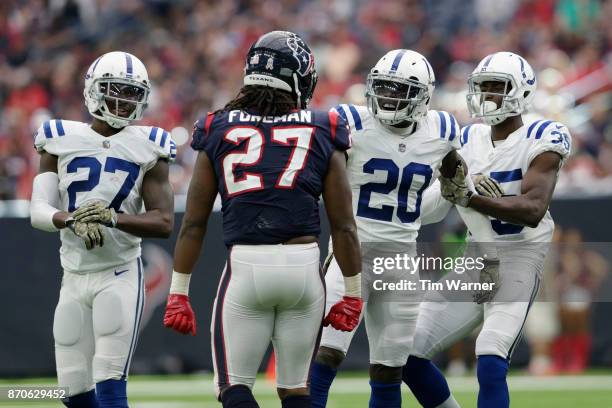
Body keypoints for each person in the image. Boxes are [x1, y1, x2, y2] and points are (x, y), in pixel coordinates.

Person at [162, 31, 363, 408]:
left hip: (247, 267)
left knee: (234, 388)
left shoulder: (216, 127)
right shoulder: (324, 127)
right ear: (296, 78)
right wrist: (352, 292)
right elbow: (344, 225)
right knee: (296, 391)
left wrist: (178, 291)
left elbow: (193, 223)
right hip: (305, 270)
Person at [309, 49, 503, 408]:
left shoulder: (442, 131)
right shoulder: (349, 122)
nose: (389, 96)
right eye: (383, 87)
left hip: (401, 260)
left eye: (400, 90)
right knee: (325, 356)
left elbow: (442, 193)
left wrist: (461, 186)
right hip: (351, 257)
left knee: (389, 371)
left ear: (424, 96)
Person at [403, 52, 572, 408]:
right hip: (474, 259)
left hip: (518, 259)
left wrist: (469, 197)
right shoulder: (467, 138)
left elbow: (532, 210)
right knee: (407, 351)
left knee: (491, 353)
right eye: (483, 87)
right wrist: (449, 188)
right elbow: (435, 207)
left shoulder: (543, 133)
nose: (489, 95)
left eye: (498, 86)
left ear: (522, 92)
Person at [29, 51, 175, 408]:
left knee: (110, 384)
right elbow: (39, 209)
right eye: (115, 90)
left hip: (120, 272)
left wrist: (111, 218)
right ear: (94, 90)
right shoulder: (59, 137)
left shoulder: (149, 145)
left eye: (132, 92)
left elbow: (164, 221)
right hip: (74, 276)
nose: (124, 101)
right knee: (72, 393)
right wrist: (72, 219)